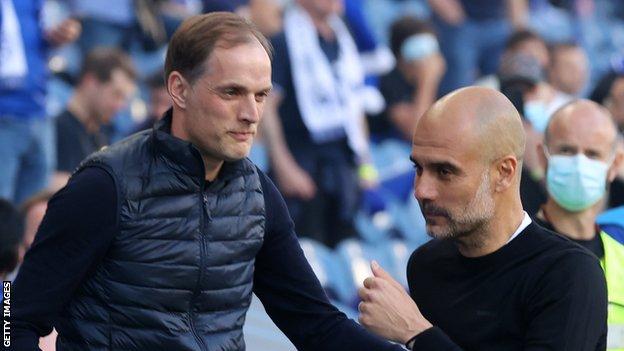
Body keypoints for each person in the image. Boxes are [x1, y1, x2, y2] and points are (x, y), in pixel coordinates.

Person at [10, 12, 405, 351]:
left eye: (261, 95)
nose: (252, 114)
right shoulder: (104, 186)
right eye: (232, 92)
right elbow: (13, 316)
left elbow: (316, 325)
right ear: (179, 89)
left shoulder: (259, 196)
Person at [357, 86, 608, 350]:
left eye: (444, 171)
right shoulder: (426, 266)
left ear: (504, 173)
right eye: (418, 168)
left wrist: (416, 332)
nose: (421, 191)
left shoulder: (569, 275)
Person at [261, 0, 375, 247]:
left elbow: (354, 103)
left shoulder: (343, 37)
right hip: (303, 164)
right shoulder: (282, 42)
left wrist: (365, 162)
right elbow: (267, 107)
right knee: (308, 250)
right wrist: (283, 166)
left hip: (343, 166)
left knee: (349, 247)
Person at [534, 100, 624, 350]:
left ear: (614, 165)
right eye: (566, 150)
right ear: (543, 157)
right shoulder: (512, 246)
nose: (579, 163)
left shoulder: (622, 260)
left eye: (593, 154)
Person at [0, 0, 80, 205]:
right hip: (5, 115)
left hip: (39, 112)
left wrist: (57, 36)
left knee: (34, 212)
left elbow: (40, 39)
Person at [54, 47, 137, 178]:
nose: (120, 106)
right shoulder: (56, 129)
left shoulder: (100, 135)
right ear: (90, 82)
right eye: (116, 94)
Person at [369, 16, 445, 142]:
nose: (428, 59)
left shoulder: (443, 78)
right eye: (419, 52)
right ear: (401, 57)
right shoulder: (389, 82)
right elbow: (415, 132)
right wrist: (427, 81)